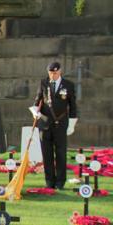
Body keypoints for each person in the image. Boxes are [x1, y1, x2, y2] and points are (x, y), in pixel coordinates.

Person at [30, 61, 78, 190]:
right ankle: (49, 181)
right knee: (47, 154)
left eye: (55, 73)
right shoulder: (44, 83)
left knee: (61, 153)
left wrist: (72, 124)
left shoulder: (68, 85)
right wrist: (35, 112)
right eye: (51, 73)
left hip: (61, 123)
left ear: (60, 71)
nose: (53, 75)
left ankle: (60, 182)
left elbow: (72, 106)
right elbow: (37, 100)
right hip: (45, 123)